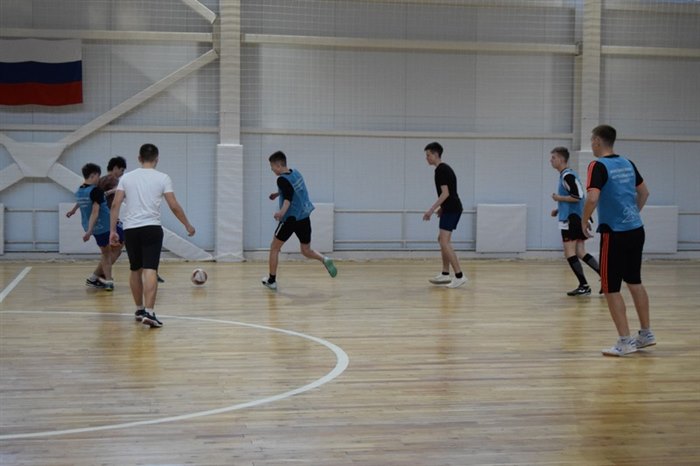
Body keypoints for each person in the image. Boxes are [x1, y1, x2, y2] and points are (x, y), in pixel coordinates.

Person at [582, 124, 655, 357]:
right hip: (636, 229)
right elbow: (644, 193)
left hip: (614, 233)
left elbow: (592, 198)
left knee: (610, 287)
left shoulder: (597, 165)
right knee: (634, 281)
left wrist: (583, 221)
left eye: (592, 141)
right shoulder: (628, 163)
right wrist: (632, 214)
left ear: (597, 141)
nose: (592, 145)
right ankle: (646, 334)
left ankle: (625, 342)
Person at [109, 143, 195, 328]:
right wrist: (187, 224)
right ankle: (149, 312)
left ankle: (139, 309)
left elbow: (115, 204)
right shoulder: (163, 178)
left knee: (135, 269)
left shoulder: (126, 178)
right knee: (150, 269)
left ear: (139, 158)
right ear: (157, 159)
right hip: (151, 229)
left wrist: (113, 231)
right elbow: (173, 205)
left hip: (131, 229)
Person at [262, 150, 337, 291]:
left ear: (278, 165)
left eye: (272, 167)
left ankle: (272, 281)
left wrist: (280, 213)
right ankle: (324, 259)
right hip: (304, 217)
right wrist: (277, 194)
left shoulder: (281, 179)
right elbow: (292, 190)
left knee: (274, 248)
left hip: (290, 219)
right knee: (306, 250)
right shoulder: (296, 173)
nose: (272, 170)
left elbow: (288, 200)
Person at [549, 147, 600, 296]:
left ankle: (584, 285)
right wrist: (559, 209)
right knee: (580, 252)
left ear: (561, 159)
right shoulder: (566, 175)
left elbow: (578, 196)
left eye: (553, 158)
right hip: (574, 217)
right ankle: (604, 278)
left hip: (572, 220)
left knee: (570, 252)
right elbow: (575, 198)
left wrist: (558, 198)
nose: (551, 160)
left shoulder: (567, 176)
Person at [422, 142, 466, 288]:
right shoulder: (444, 168)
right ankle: (445, 273)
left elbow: (445, 193)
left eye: (428, 155)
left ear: (435, 155)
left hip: (452, 209)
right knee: (441, 240)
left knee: (444, 242)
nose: (427, 158)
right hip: (450, 208)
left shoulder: (440, 170)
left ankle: (459, 276)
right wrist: (442, 208)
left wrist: (431, 210)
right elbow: (450, 192)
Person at [71, 163, 117, 291]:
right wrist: (89, 232)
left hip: (96, 228)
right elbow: (95, 212)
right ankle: (107, 281)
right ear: (93, 175)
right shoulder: (96, 190)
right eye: (98, 176)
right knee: (107, 254)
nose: (99, 179)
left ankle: (103, 279)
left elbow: (81, 201)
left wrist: (73, 210)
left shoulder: (80, 190)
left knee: (107, 253)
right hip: (105, 226)